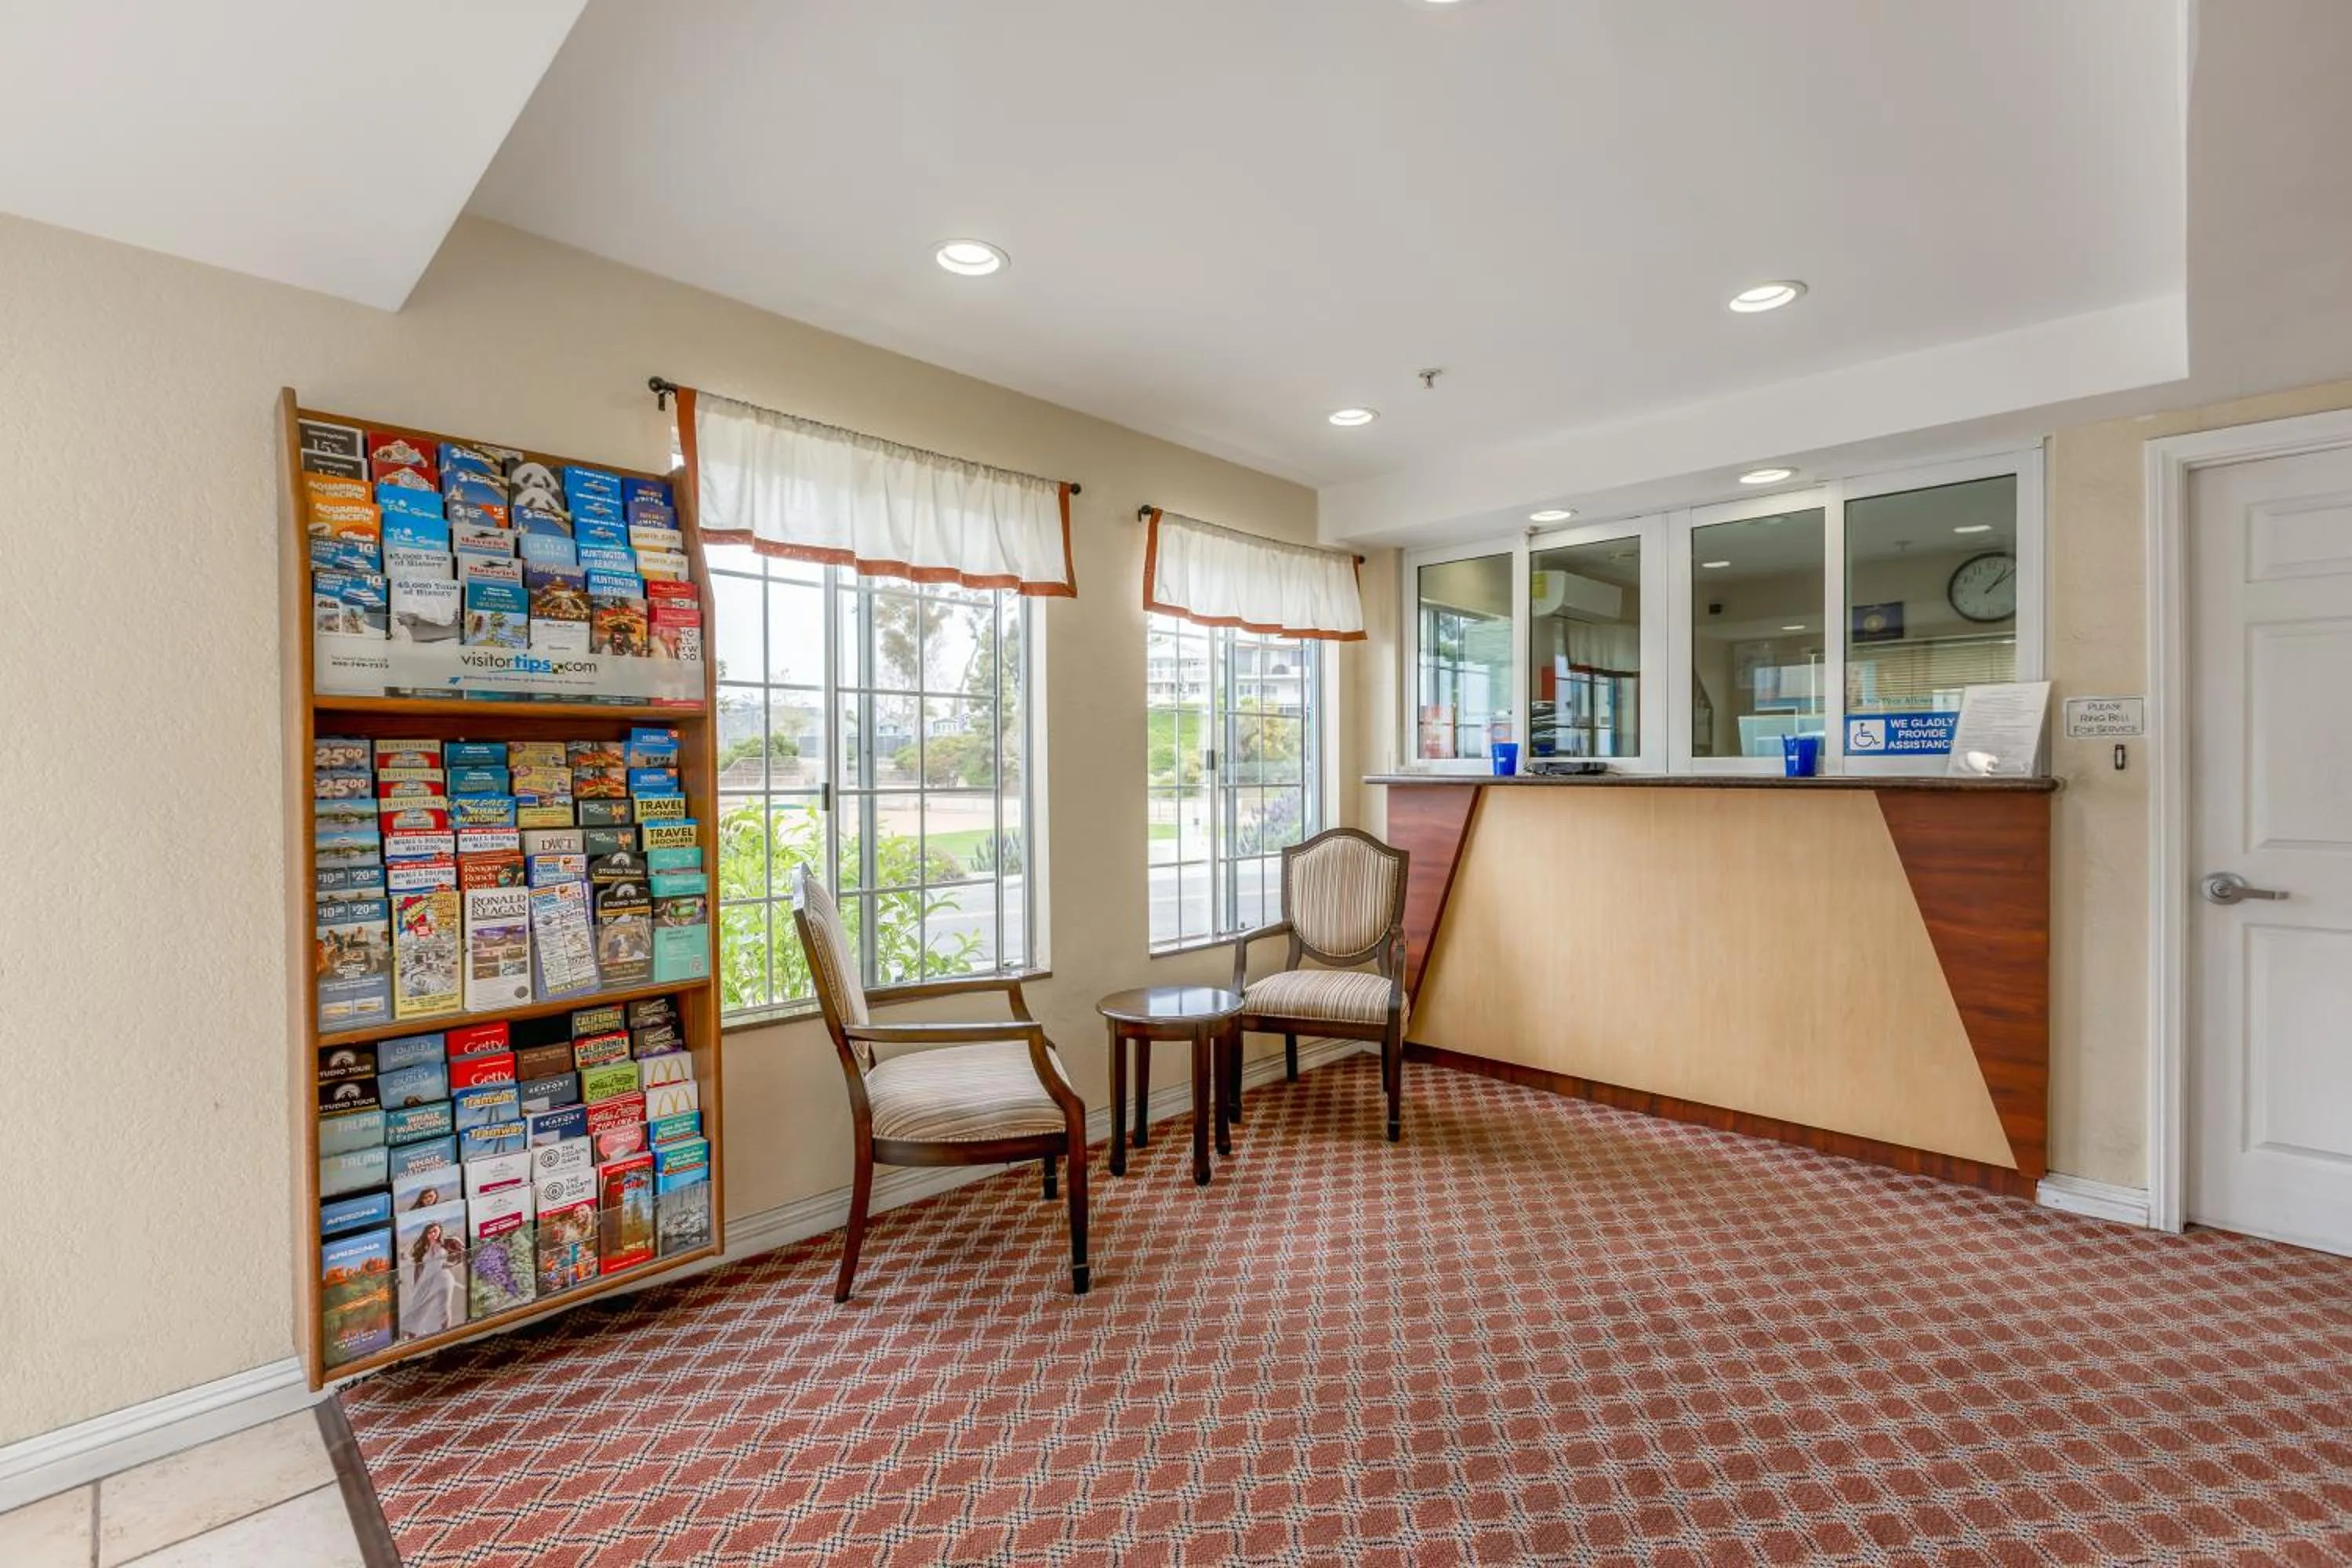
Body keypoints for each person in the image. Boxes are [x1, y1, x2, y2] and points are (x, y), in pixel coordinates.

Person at [398, 1221, 464, 1338]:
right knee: (416, 1307)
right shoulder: (423, 1248)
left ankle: (445, 1334)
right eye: (430, 1232)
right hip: (427, 1281)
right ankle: (410, 1334)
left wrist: (451, 1264)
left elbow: (462, 1252)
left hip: (444, 1280)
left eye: (435, 1231)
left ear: (440, 1231)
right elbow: (420, 1268)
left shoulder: (447, 1243)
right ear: (426, 1234)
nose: (433, 1234)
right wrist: (417, 1285)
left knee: (444, 1307)